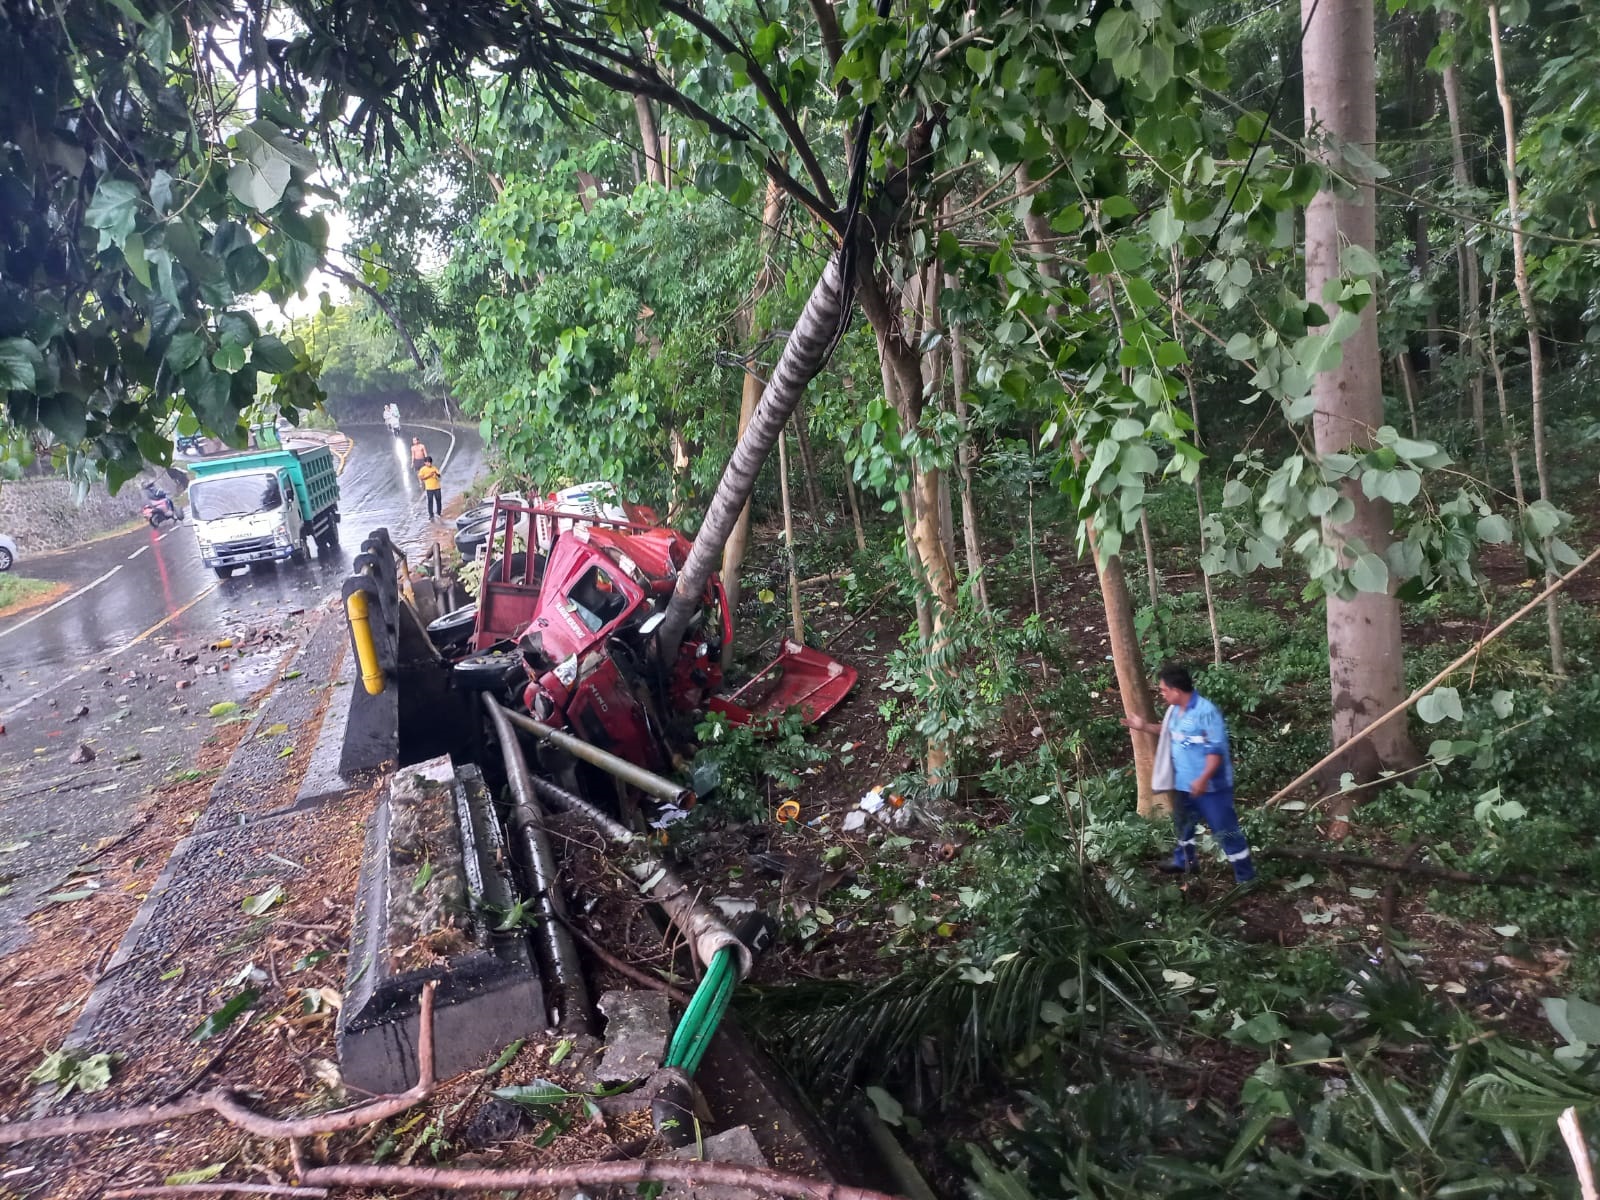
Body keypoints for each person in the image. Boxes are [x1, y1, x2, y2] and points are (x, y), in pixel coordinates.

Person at [1123, 663, 1256, 883]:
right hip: (1184, 785)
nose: (1162, 694)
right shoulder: (1174, 711)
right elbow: (1167, 732)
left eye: (1164, 690)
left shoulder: (1205, 712)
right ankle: (1185, 861)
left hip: (1211, 788)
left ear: (1176, 690)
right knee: (1183, 825)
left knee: (1226, 830)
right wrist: (1143, 725)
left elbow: (1215, 751)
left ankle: (1246, 876)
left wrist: (1203, 779)